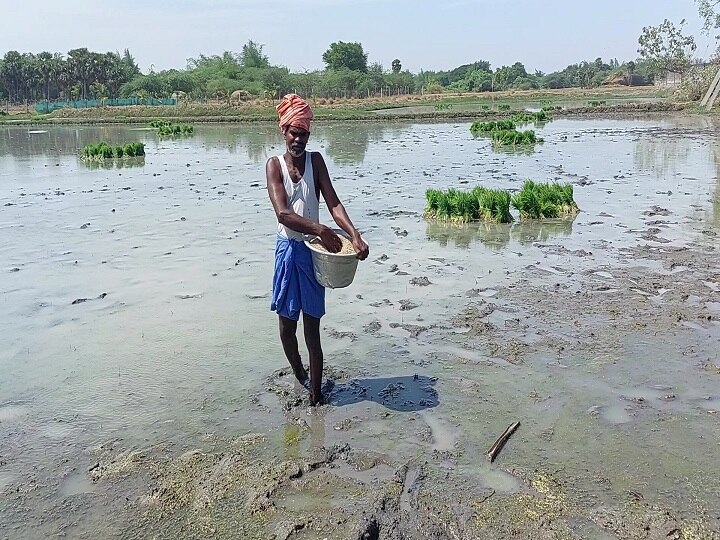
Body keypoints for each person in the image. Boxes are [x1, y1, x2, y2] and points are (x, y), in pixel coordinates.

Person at [266, 94, 369, 406]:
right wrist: (321, 229)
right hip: (288, 250)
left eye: (303, 133)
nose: (298, 138)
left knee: (312, 327)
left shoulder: (316, 162)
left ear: (309, 135)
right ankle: (299, 375)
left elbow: (334, 203)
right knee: (287, 326)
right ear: (283, 131)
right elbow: (283, 214)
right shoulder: (274, 166)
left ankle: (316, 395)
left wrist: (354, 234)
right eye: (293, 132)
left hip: (312, 253)